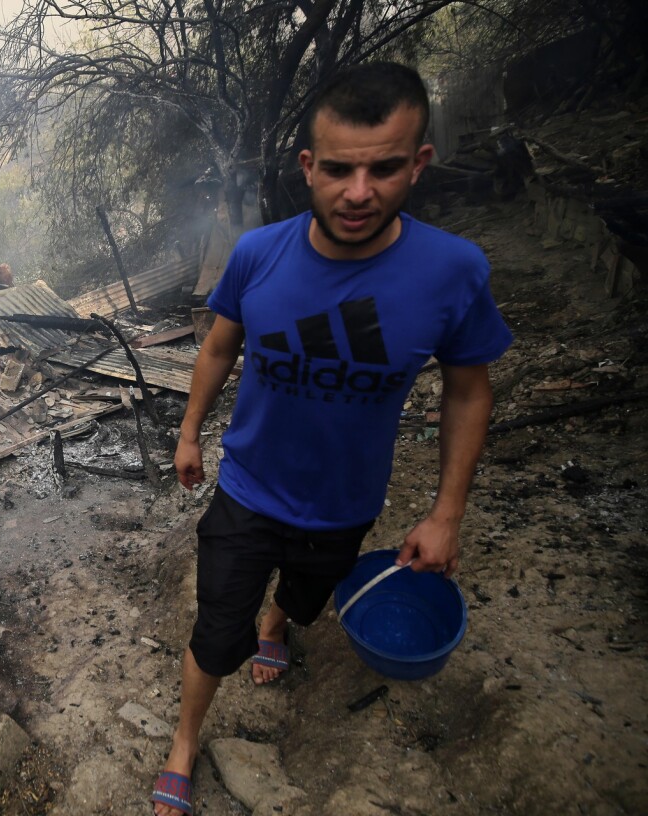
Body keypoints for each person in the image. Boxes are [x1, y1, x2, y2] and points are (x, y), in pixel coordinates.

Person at [150, 61, 513, 816]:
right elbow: (218, 348)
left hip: (345, 504)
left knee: (306, 601)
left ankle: (280, 625)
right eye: (340, 169)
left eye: (384, 168)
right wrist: (189, 435)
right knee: (217, 631)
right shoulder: (258, 255)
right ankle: (186, 741)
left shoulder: (453, 272)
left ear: (419, 162)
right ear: (308, 167)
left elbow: (468, 389)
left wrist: (447, 516)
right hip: (247, 489)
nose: (359, 192)